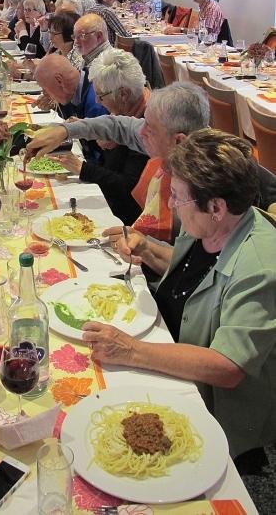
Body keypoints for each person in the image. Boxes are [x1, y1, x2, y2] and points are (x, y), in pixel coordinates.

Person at [83, 129, 276, 470]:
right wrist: (147, 247)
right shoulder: (212, 224)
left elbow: (228, 367)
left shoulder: (260, 267)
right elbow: (195, 273)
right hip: (165, 344)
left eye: (177, 197)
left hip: (210, 402)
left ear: (216, 207)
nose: (171, 204)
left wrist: (130, 350)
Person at [26, 82, 210, 245]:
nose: (141, 132)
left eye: (150, 128)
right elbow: (118, 125)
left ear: (178, 140)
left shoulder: (204, 187)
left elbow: (189, 260)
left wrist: (146, 246)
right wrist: (64, 131)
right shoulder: (177, 144)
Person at [50, 48, 150, 224]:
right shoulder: (127, 109)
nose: (97, 101)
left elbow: (129, 188)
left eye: (101, 96)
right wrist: (87, 131)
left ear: (123, 94)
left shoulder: (147, 126)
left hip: (128, 218)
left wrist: (83, 169)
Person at [34, 53, 108, 123]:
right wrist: (56, 106)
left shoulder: (96, 103)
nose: (45, 94)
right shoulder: (78, 86)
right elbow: (73, 117)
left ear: (59, 81)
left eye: (45, 89)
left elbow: (90, 131)